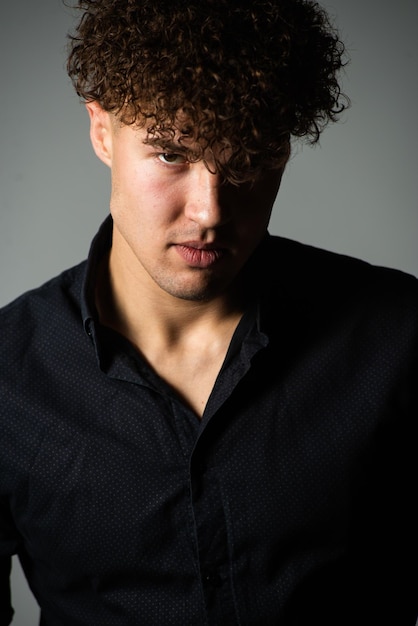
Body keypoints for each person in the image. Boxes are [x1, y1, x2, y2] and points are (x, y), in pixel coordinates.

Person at [0, 0, 417, 623]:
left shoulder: (398, 335)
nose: (210, 211)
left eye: (248, 159)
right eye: (171, 154)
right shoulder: (8, 375)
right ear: (102, 131)